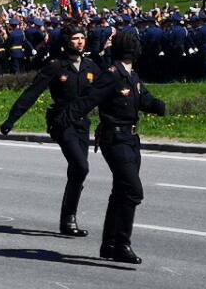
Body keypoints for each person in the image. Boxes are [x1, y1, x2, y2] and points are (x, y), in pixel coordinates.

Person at [65, 30, 167, 264]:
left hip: (132, 140)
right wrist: (65, 120)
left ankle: (109, 245)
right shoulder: (111, 75)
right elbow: (88, 100)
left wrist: (158, 106)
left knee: (121, 191)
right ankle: (122, 243)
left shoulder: (131, 74)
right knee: (133, 191)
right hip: (115, 139)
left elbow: (143, 98)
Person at [0, 24, 99, 236]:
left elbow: (105, 95)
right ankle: (69, 218)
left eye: (82, 37)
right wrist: (12, 118)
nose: (80, 41)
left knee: (78, 170)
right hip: (62, 122)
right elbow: (32, 93)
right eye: (75, 38)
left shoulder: (91, 66)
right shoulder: (55, 66)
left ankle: (67, 220)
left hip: (82, 123)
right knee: (81, 167)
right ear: (66, 42)